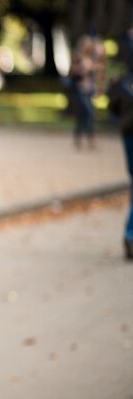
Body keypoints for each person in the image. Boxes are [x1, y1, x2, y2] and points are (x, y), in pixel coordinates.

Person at [107, 28, 133, 260]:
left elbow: (112, 107)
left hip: (127, 130)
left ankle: (130, 233)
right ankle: (131, 234)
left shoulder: (122, 69)